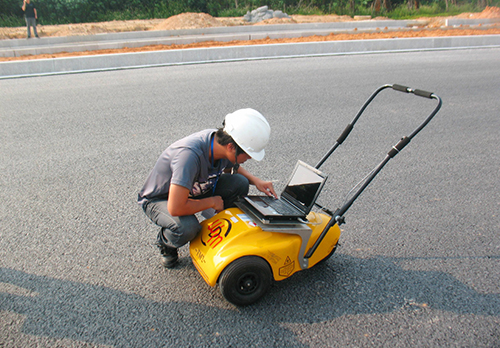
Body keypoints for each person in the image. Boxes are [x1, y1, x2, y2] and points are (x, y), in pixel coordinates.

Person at [138, 108, 277, 268]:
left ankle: (221, 235)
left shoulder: (220, 143)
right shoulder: (189, 157)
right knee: (187, 227)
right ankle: (166, 244)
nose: (249, 158)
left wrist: (256, 181)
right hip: (163, 199)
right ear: (231, 147)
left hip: (195, 190)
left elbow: (231, 165)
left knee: (240, 183)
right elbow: (176, 207)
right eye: (247, 154)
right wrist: (211, 202)